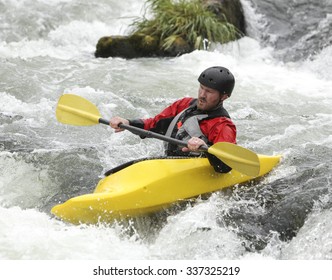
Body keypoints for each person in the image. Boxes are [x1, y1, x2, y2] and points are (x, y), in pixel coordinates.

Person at [110, 66, 236, 173]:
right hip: (171, 166)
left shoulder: (223, 126)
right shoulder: (183, 105)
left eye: (209, 91)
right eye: (201, 88)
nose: (202, 95)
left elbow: (225, 166)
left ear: (224, 97)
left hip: (194, 173)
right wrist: (128, 122)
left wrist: (205, 148)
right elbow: (154, 124)